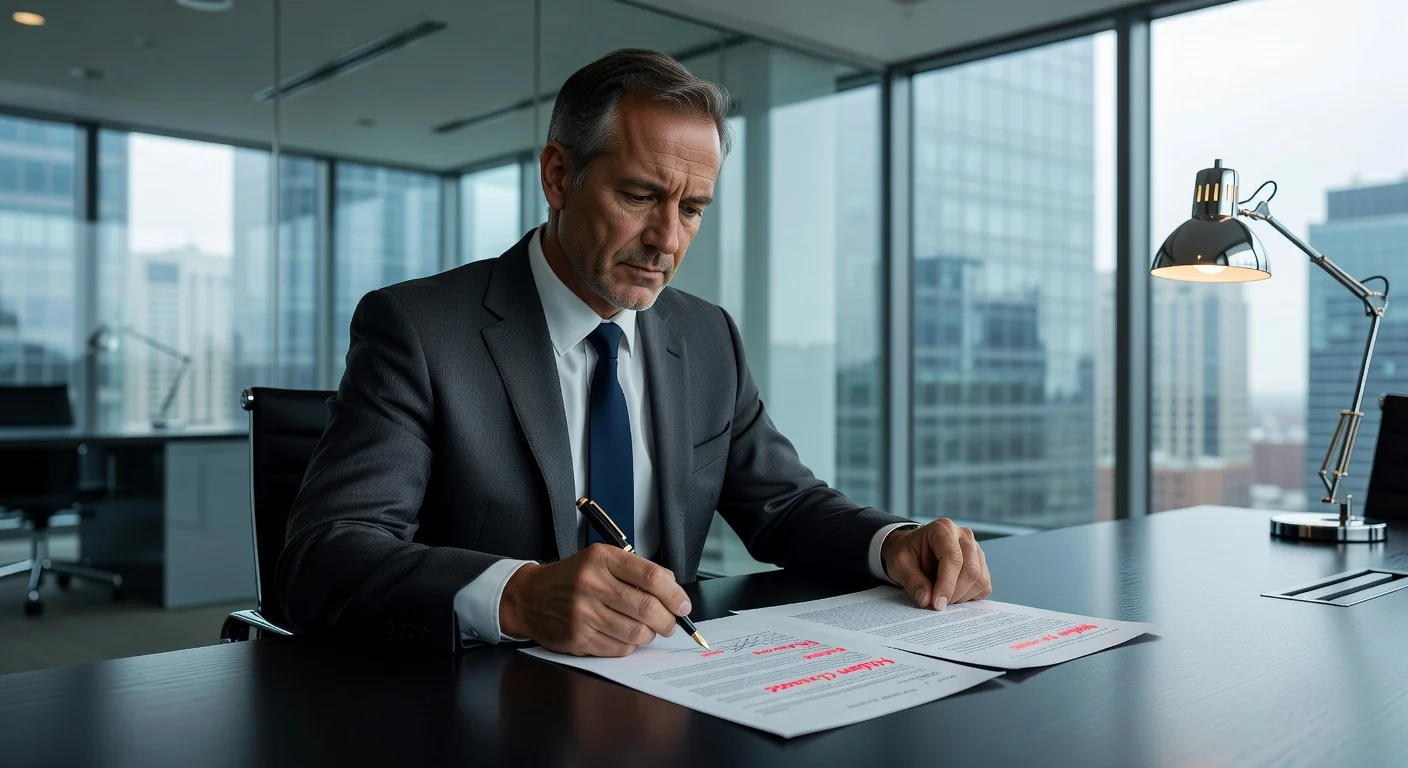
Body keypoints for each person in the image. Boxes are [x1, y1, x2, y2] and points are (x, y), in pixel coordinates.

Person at [277, 48, 992, 656]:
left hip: (672, 685)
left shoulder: (707, 336)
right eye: (641, 195)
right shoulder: (419, 328)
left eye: (692, 208)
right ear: (558, 176)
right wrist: (519, 597)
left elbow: (784, 505)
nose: (668, 240)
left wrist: (892, 542)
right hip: (477, 699)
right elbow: (326, 554)